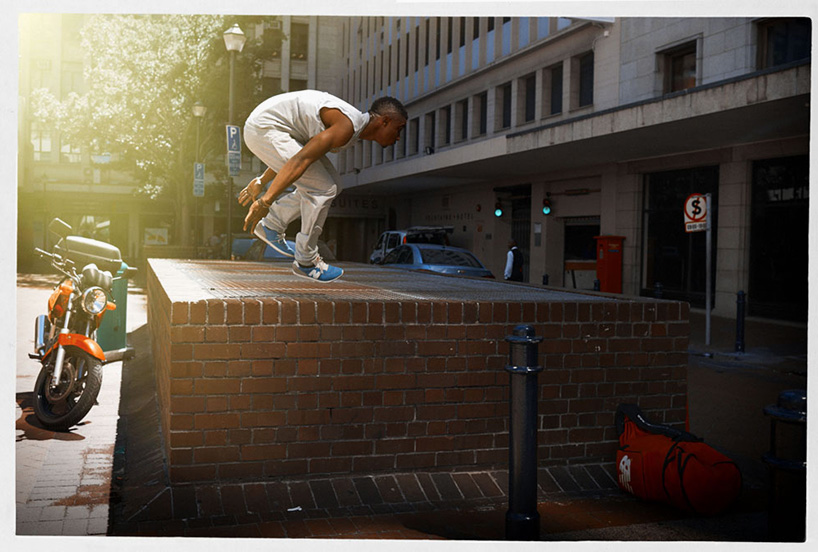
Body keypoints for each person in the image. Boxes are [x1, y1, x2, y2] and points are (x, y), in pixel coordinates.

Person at [238, 90, 407, 282]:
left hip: (268, 127)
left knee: (332, 184)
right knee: (323, 188)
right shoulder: (346, 126)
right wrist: (265, 201)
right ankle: (306, 261)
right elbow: (300, 160)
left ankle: (272, 225)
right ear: (384, 121)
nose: (398, 137)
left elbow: (301, 152)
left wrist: (262, 180)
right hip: (263, 128)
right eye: (399, 129)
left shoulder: (349, 125)